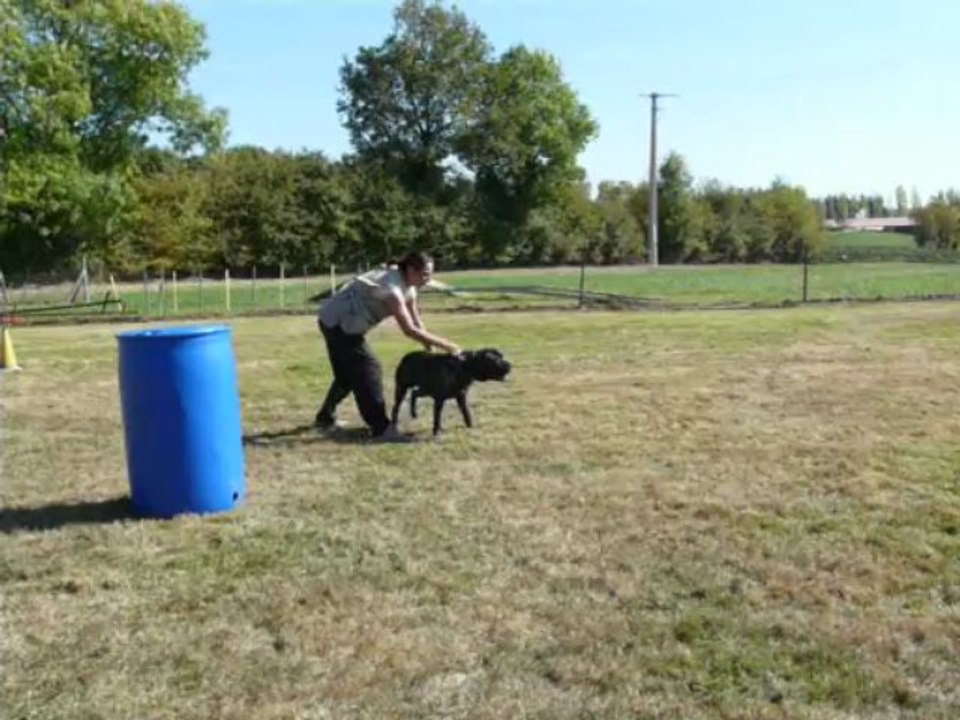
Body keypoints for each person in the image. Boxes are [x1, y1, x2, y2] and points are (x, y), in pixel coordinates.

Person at [315, 251, 461, 439]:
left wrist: (429, 350)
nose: (428, 279)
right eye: (425, 274)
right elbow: (409, 330)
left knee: (347, 374)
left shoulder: (410, 285)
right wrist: (450, 346)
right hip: (336, 323)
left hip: (338, 322)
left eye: (430, 274)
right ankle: (382, 429)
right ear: (410, 269)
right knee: (368, 368)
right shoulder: (391, 288)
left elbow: (417, 321)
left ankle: (325, 417)